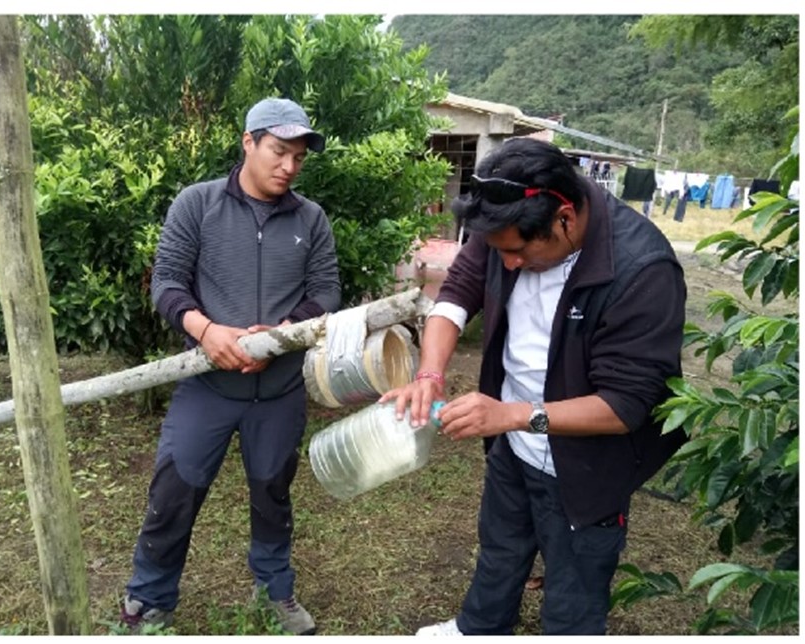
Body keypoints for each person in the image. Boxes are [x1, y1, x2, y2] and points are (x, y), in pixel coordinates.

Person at [380, 139, 687, 635]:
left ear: (564, 217)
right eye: (500, 252)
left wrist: (513, 414)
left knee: (574, 590)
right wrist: (430, 374)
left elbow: (624, 405)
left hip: (588, 465)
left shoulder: (642, 271)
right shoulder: (505, 219)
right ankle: (479, 627)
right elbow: (457, 293)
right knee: (501, 545)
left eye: (520, 252)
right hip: (513, 446)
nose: (509, 265)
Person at [119, 97, 341, 635]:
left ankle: (275, 590)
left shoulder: (310, 219)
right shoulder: (198, 205)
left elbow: (327, 291)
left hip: (281, 389)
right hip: (207, 385)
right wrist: (206, 329)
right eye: (278, 152)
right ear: (248, 143)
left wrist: (283, 334)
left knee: (272, 490)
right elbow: (167, 282)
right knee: (175, 487)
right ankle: (149, 596)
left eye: (298, 158)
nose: (289, 166)